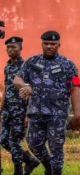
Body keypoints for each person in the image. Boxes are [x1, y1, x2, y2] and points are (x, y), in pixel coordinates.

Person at [14, 30, 80, 175]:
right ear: (42, 44)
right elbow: (17, 80)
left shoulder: (68, 65)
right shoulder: (32, 62)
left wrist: (77, 115)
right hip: (36, 113)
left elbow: (75, 88)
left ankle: (55, 171)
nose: (49, 46)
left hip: (57, 114)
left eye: (52, 44)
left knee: (56, 148)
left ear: (59, 44)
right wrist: (25, 86)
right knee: (34, 144)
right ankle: (49, 167)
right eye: (46, 43)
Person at [1, 37, 40, 175]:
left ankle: (18, 171)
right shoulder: (8, 66)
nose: (10, 50)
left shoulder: (26, 67)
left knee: (14, 141)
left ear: (20, 48)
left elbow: (32, 91)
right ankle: (30, 160)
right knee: (4, 140)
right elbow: (6, 88)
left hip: (21, 111)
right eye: (8, 47)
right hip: (8, 110)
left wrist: (29, 114)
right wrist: (1, 108)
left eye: (14, 47)